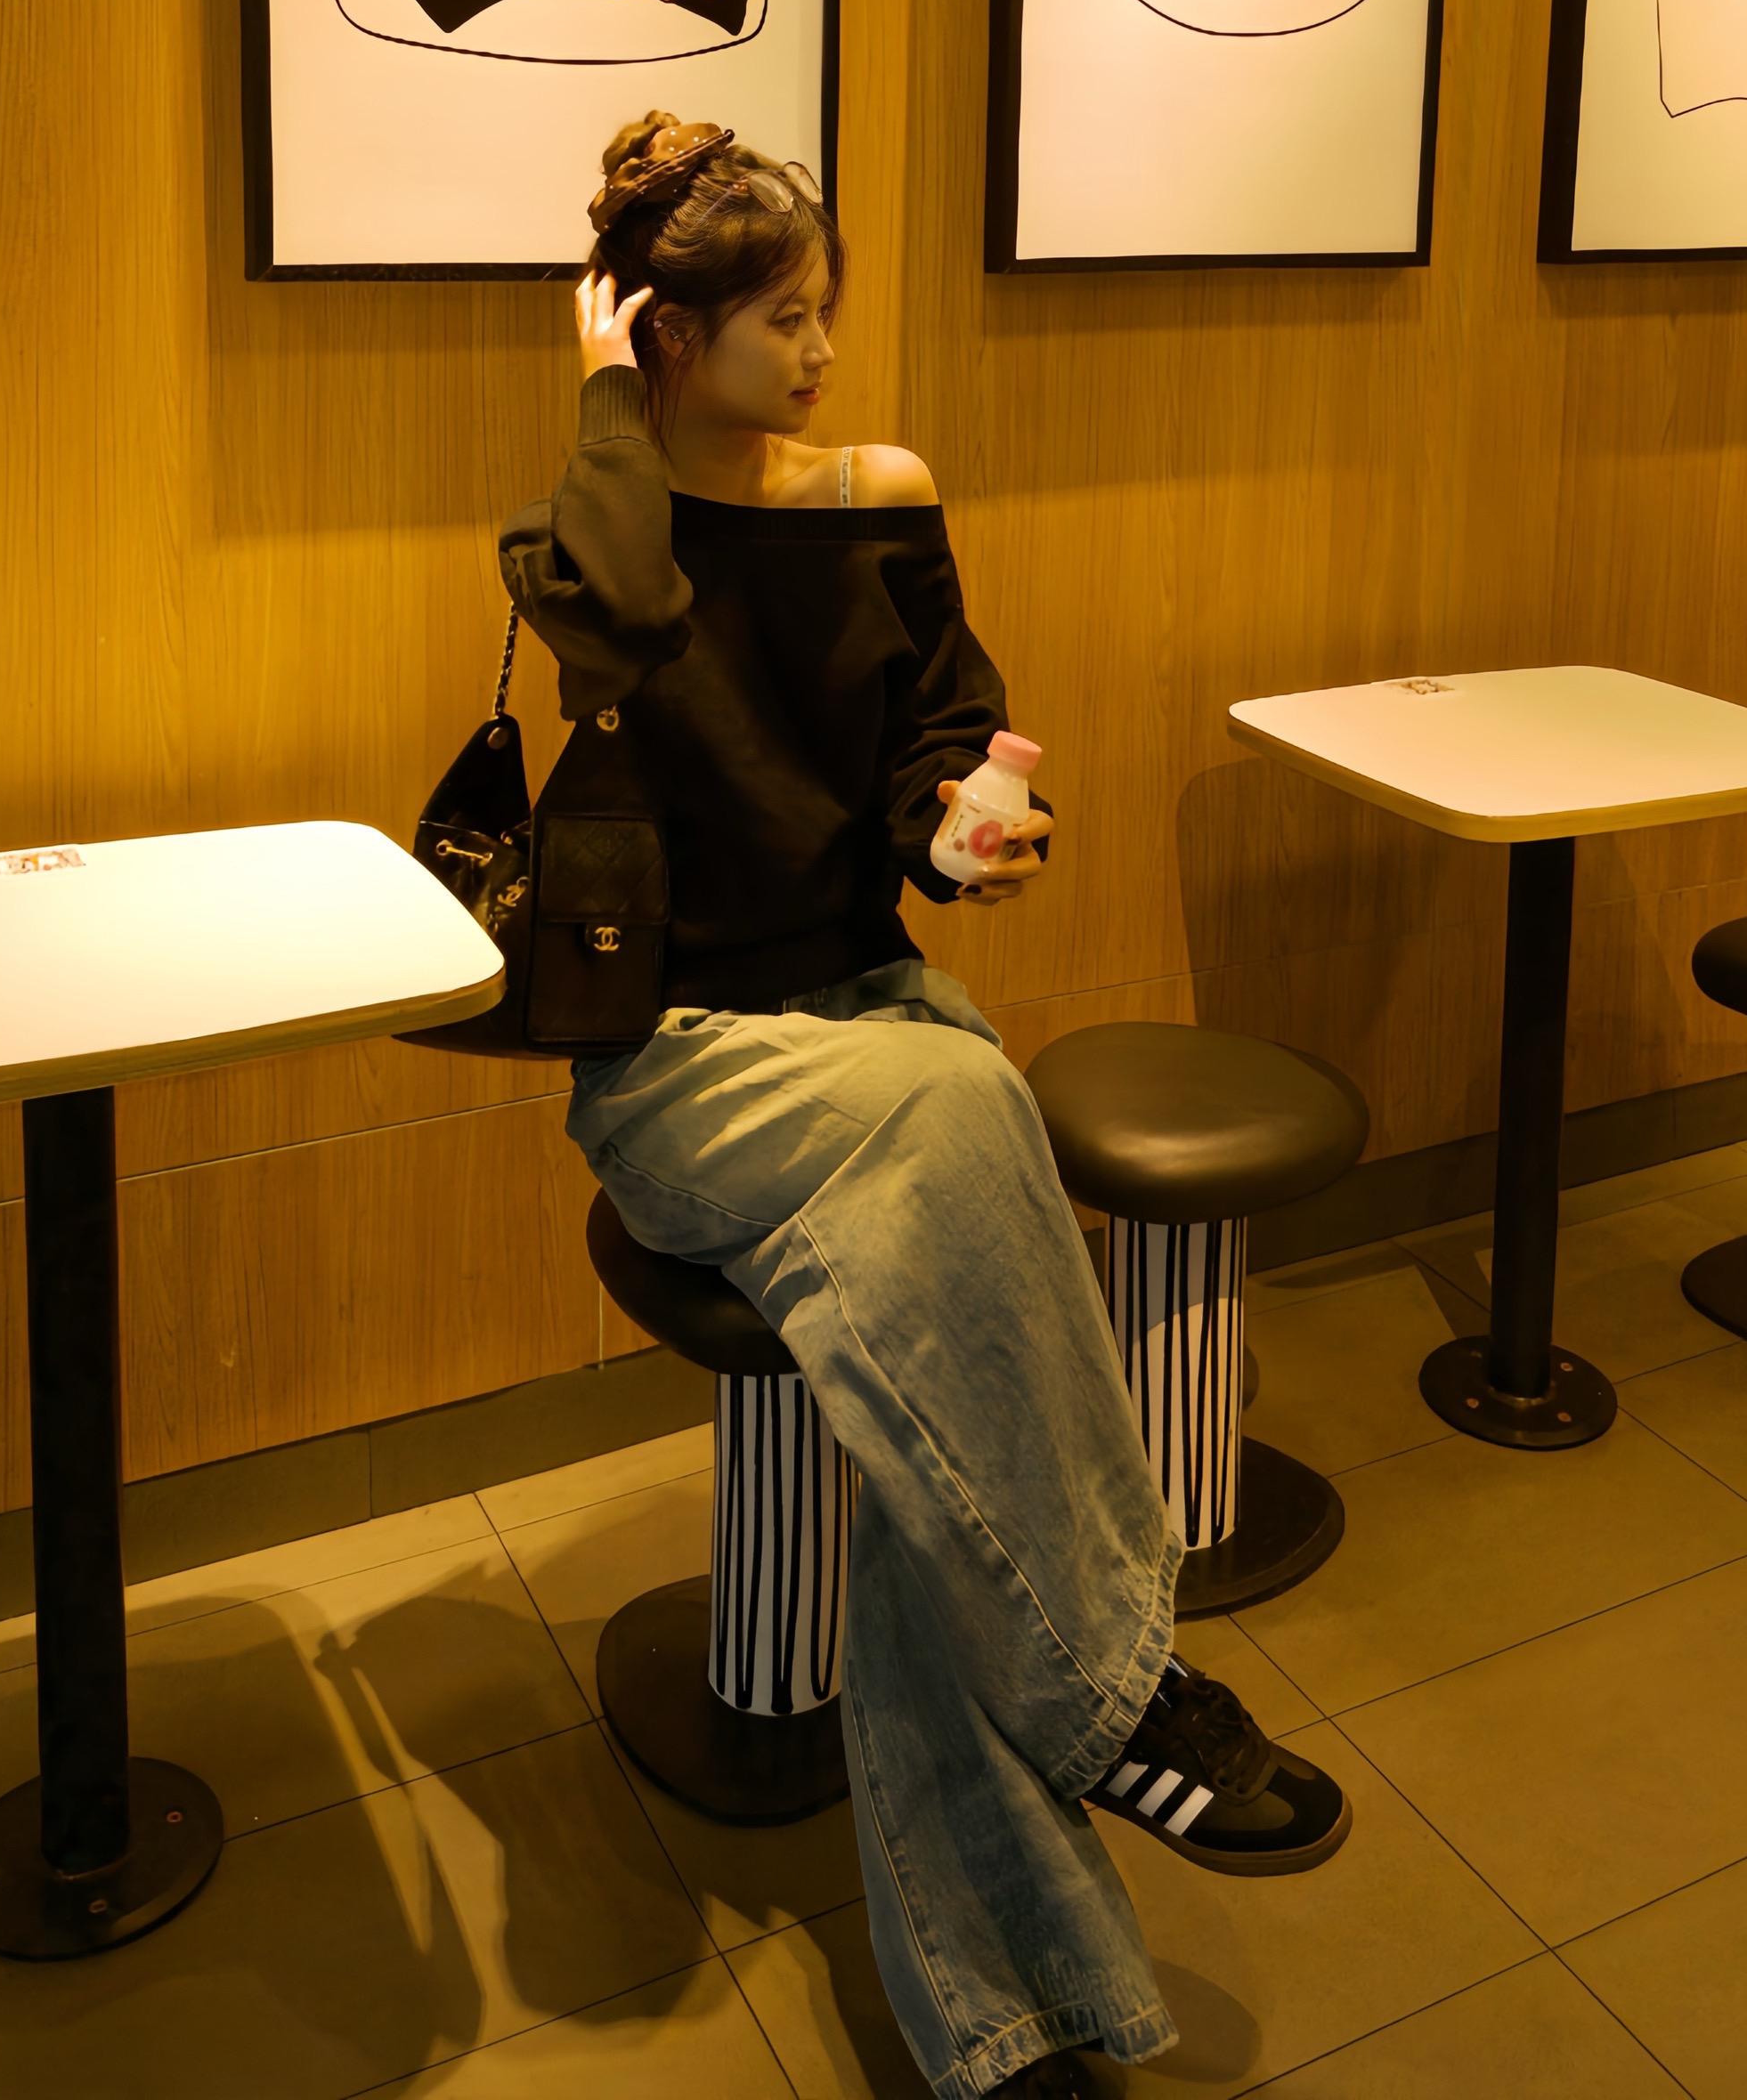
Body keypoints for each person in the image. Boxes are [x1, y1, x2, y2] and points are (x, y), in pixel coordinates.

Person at [500, 111, 1349, 2100]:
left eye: (826, 313)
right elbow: (617, 625)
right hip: (679, 1062)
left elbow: (940, 724)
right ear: (665, 332)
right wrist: (604, 392)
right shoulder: (587, 526)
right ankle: (1123, 1689)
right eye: (779, 322)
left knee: (931, 1454)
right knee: (970, 1111)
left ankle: (1012, 2020)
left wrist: (965, 828)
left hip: (863, 1010)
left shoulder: (877, 495)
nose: (820, 353)